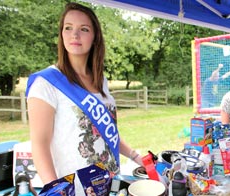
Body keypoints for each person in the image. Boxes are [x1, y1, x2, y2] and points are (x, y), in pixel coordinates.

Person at [26, 2, 143, 195]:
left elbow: (105, 133)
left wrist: (135, 156)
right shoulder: (46, 83)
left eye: (84, 29)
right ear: (61, 34)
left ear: (95, 36)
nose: (74, 34)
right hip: (75, 190)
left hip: (109, 185)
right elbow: (39, 145)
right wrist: (57, 191)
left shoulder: (100, 80)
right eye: (68, 28)